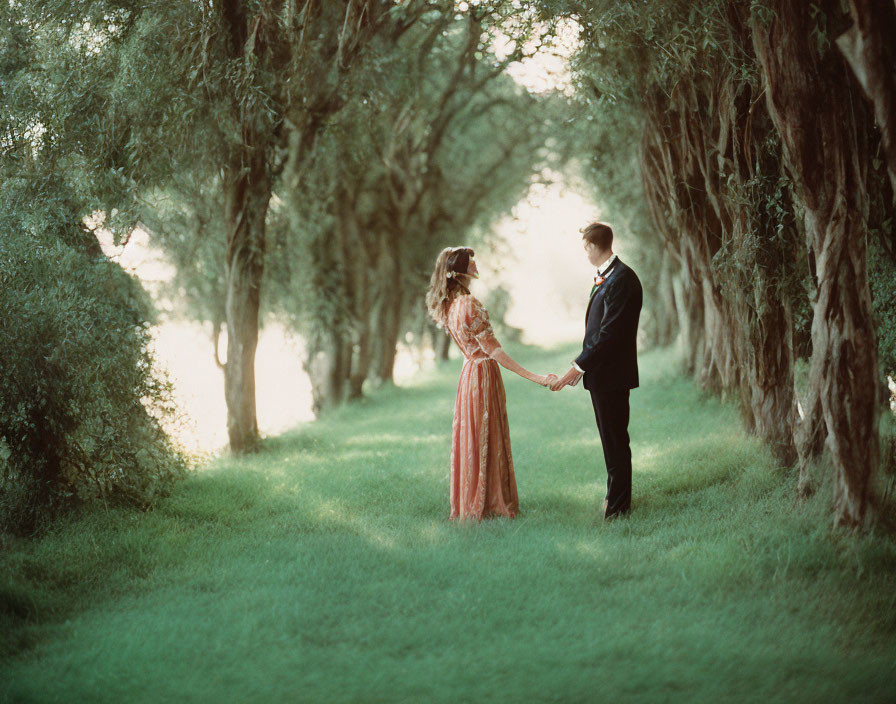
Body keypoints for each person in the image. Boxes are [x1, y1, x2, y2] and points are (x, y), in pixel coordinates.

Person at [426, 247, 557, 521]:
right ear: (460, 272)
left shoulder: (451, 305)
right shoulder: (469, 305)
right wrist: (537, 377)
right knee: (486, 433)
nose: (476, 267)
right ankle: (488, 503)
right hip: (482, 373)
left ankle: (478, 500)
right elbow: (494, 351)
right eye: (472, 263)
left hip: (468, 374)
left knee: (475, 435)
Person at [551, 223, 642, 520]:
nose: (584, 251)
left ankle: (618, 510)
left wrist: (577, 367)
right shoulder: (611, 276)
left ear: (592, 244)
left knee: (615, 440)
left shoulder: (622, 279)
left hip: (612, 376)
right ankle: (614, 497)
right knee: (611, 439)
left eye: (584, 246)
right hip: (603, 375)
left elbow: (609, 336)